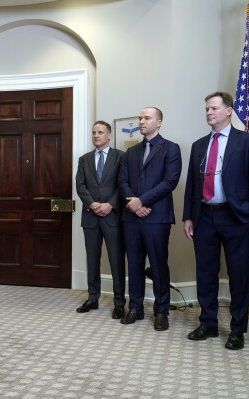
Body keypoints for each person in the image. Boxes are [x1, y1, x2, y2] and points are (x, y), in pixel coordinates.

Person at [182, 92, 249, 350]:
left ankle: (238, 329)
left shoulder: (247, 142)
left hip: (235, 216)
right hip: (204, 215)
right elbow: (192, 186)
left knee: (239, 274)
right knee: (205, 273)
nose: (209, 113)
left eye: (214, 108)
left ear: (228, 111)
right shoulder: (198, 145)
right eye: (206, 109)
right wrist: (188, 216)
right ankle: (208, 323)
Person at [118, 107, 182, 330]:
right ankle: (135, 307)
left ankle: (161, 311)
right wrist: (134, 205)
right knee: (134, 264)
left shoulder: (171, 149)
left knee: (158, 266)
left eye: (147, 118)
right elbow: (122, 181)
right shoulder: (130, 152)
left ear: (159, 122)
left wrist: (141, 201)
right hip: (132, 218)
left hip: (157, 218)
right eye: (140, 118)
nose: (141, 121)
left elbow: (170, 181)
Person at [75, 120, 126, 319]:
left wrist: (110, 204)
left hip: (112, 217)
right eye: (94, 132)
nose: (96, 135)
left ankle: (119, 302)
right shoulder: (84, 159)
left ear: (109, 135)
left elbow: (122, 184)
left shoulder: (120, 157)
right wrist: (92, 204)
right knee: (92, 259)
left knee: (116, 260)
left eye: (100, 132)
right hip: (90, 217)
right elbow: (80, 186)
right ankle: (93, 298)